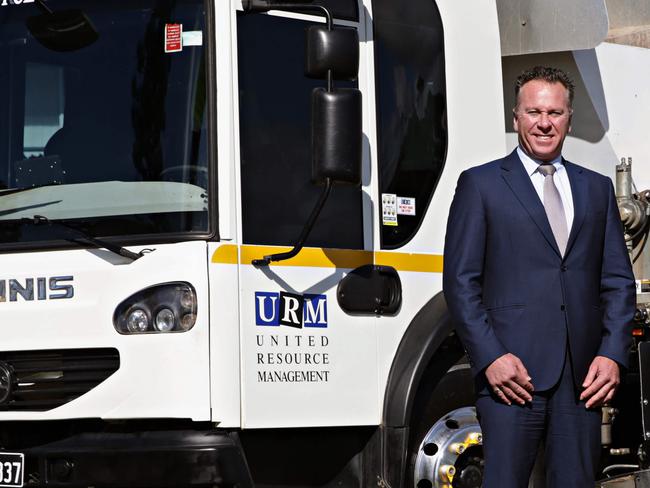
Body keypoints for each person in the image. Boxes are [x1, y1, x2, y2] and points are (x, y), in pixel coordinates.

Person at [442, 66, 635, 488]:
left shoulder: (597, 189)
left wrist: (612, 353)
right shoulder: (481, 185)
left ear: (569, 118)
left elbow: (618, 282)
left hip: (582, 379)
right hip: (512, 377)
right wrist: (490, 356)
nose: (544, 123)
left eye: (554, 112)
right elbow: (459, 281)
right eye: (533, 112)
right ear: (515, 118)